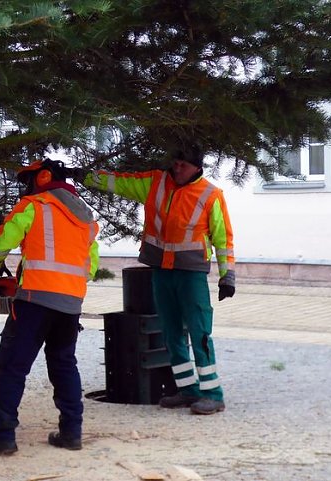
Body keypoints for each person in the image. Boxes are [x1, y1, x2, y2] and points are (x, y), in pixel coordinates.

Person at [81, 144, 234, 415]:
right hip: (161, 270)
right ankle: (188, 390)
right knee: (171, 331)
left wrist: (227, 276)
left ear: (197, 168)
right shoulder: (156, 182)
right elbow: (120, 183)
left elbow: (223, 239)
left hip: (191, 274)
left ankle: (213, 393)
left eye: (183, 164)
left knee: (199, 332)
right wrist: (84, 176)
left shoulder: (211, 195)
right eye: (176, 161)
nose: (177, 167)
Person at [0, 159, 99, 455]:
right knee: (64, 364)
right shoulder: (85, 218)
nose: (25, 188)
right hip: (71, 304)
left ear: (42, 178)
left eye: (28, 180)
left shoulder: (35, 205)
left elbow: (4, 240)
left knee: (12, 366)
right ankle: (71, 433)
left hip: (34, 302)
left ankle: (3, 437)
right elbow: (91, 267)